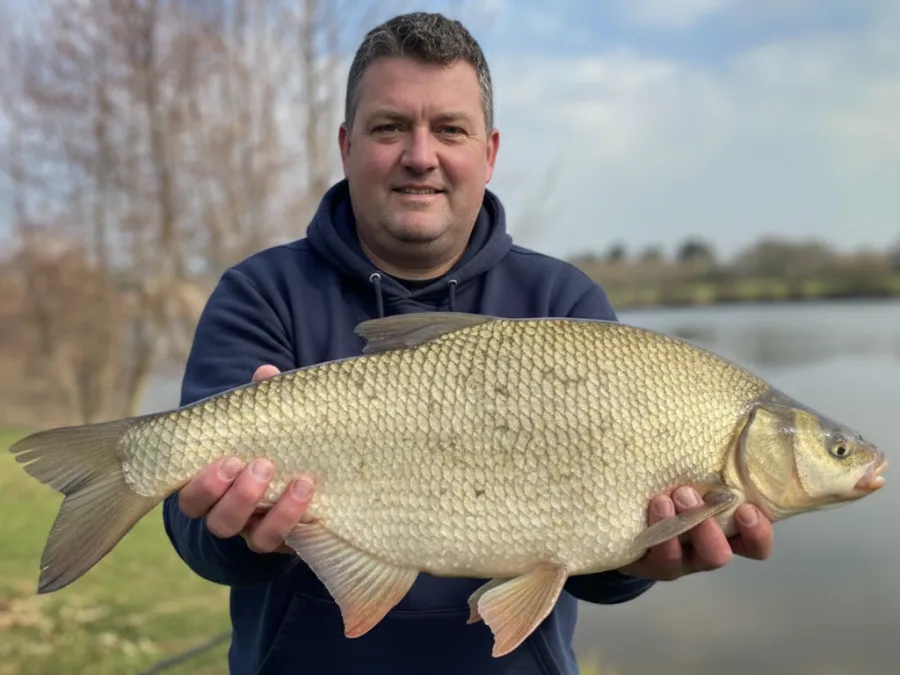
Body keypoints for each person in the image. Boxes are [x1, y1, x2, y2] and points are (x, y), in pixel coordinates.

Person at [163, 11, 774, 675]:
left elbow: (599, 569)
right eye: (389, 127)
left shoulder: (563, 304)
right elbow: (195, 534)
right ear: (346, 144)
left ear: (489, 152)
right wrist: (249, 531)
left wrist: (637, 561)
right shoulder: (261, 292)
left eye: (449, 129)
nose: (420, 155)